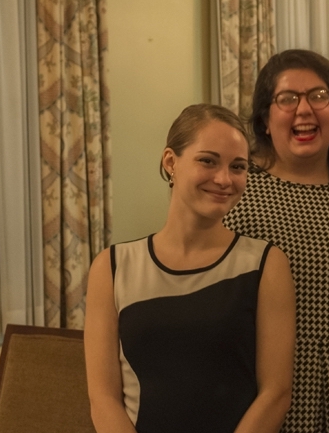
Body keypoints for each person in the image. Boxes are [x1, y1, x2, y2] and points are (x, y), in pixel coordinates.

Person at [85, 104, 296, 433]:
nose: (224, 179)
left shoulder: (265, 264)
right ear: (171, 162)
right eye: (208, 161)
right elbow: (103, 397)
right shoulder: (111, 268)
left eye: (238, 167)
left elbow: (276, 392)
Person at [224, 49, 329, 432]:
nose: (304, 109)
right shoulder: (238, 191)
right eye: (287, 99)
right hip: (263, 396)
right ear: (265, 118)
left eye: (319, 95)